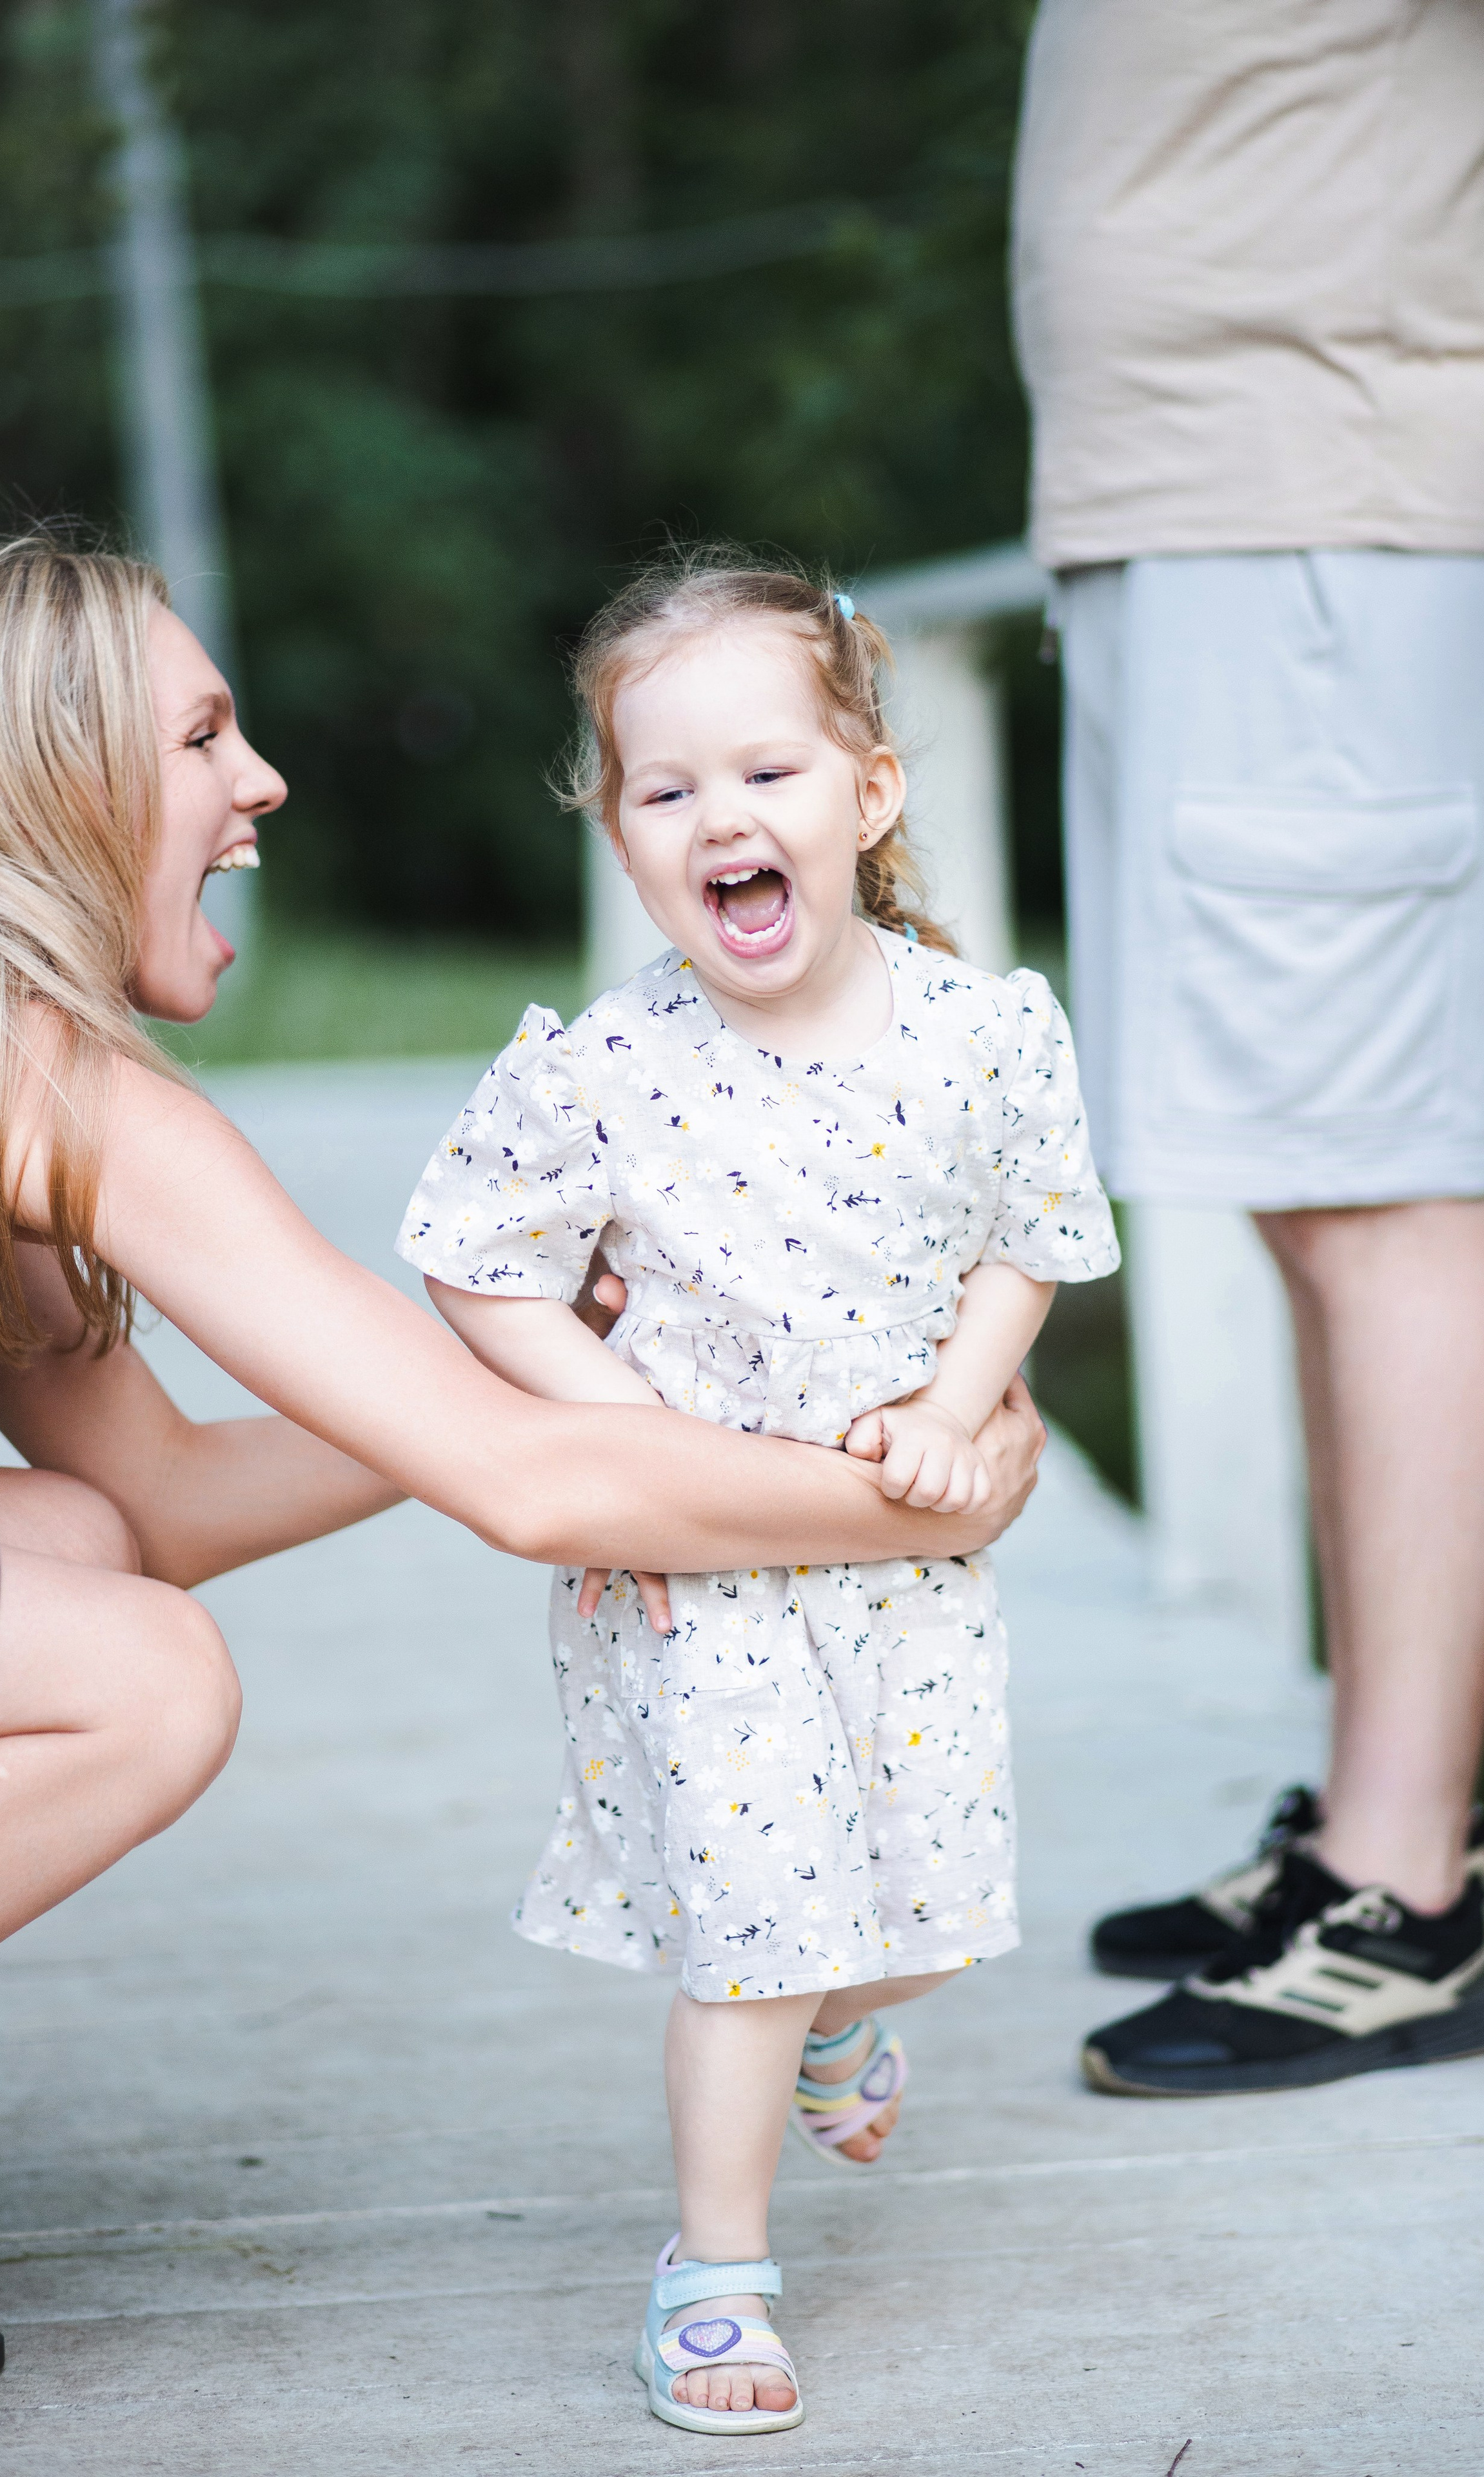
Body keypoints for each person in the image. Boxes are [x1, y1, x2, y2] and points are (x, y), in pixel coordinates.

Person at [0, 533, 1048, 2385]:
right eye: (204, 739)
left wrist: (544, 1371)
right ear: (57, 786)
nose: (261, 782)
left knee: (69, 1536)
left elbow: (151, 1501)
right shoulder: (44, 1077)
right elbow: (536, 1493)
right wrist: (928, 1489)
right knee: (138, 1677)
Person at [397, 552, 1119, 2434]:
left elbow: (1030, 1234)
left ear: (867, 797)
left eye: (769, 773)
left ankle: (857, 2018)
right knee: (760, 1927)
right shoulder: (606, 1071)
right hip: (697, 1569)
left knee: (933, 1914)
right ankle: (714, 2278)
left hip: (897, 1555)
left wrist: (969, 1406)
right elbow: (476, 1260)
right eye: (666, 789)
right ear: (623, 838)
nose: (723, 816)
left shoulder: (983, 1030)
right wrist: (618, 1435)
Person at [1011, 0, 1484, 2094]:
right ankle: (1374, 1828)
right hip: (1223, 493)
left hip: (1335, 483)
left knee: (1379, 1178)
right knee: (1304, 1174)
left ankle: (1408, 1896)